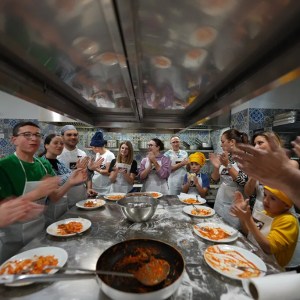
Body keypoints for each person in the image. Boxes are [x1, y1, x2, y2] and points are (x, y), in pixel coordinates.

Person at [0, 121, 87, 262]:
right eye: (27, 135)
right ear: (14, 139)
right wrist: (35, 194)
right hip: (12, 239)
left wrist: (71, 182)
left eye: (37, 135)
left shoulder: (43, 164)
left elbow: (55, 197)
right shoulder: (4, 167)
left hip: (39, 233)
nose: (33, 139)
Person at [231, 187, 299, 268]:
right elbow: (248, 233)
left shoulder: (288, 221)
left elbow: (268, 248)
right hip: (255, 260)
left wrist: (249, 220)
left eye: (273, 198)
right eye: (265, 195)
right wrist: (243, 216)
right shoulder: (265, 213)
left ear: (287, 205)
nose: (265, 200)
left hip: (271, 268)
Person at [232, 135, 300, 208]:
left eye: (260, 143)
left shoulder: (291, 164)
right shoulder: (256, 166)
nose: (256, 147)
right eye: (255, 144)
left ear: (273, 144)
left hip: (281, 215)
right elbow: (248, 192)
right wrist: (254, 175)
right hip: (259, 213)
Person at [209, 128, 248, 229]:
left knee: (232, 232)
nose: (221, 145)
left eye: (223, 142)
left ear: (232, 142)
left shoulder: (245, 158)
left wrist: (227, 165)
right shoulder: (227, 157)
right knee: (217, 229)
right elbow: (214, 180)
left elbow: (243, 181)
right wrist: (216, 167)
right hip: (220, 199)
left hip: (236, 204)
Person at [57, 125, 90, 207]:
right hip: (63, 196)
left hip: (80, 194)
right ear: (62, 137)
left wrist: (89, 188)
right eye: (69, 135)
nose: (73, 137)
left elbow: (85, 174)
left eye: (75, 135)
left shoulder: (82, 154)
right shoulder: (57, 155)